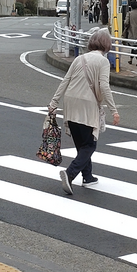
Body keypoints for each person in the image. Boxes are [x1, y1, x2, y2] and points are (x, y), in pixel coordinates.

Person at [49, 29, 120, 195]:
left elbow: (65, 80)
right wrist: (113, 110)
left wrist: (54, 102)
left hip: (70, 101)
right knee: (89, 145)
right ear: (107, 44)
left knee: (82, 143)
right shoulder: (103, 62)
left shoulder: (79, 59)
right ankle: (70, 173)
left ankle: (88, 177)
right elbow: (104, 86)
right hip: (87, 105)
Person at [122, 0, 137, 65]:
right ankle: (131, 59)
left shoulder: (129, 13)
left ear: (131, 6)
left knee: (133, 46)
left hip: (132, 32)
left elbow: (126, 23)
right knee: (136, 46)